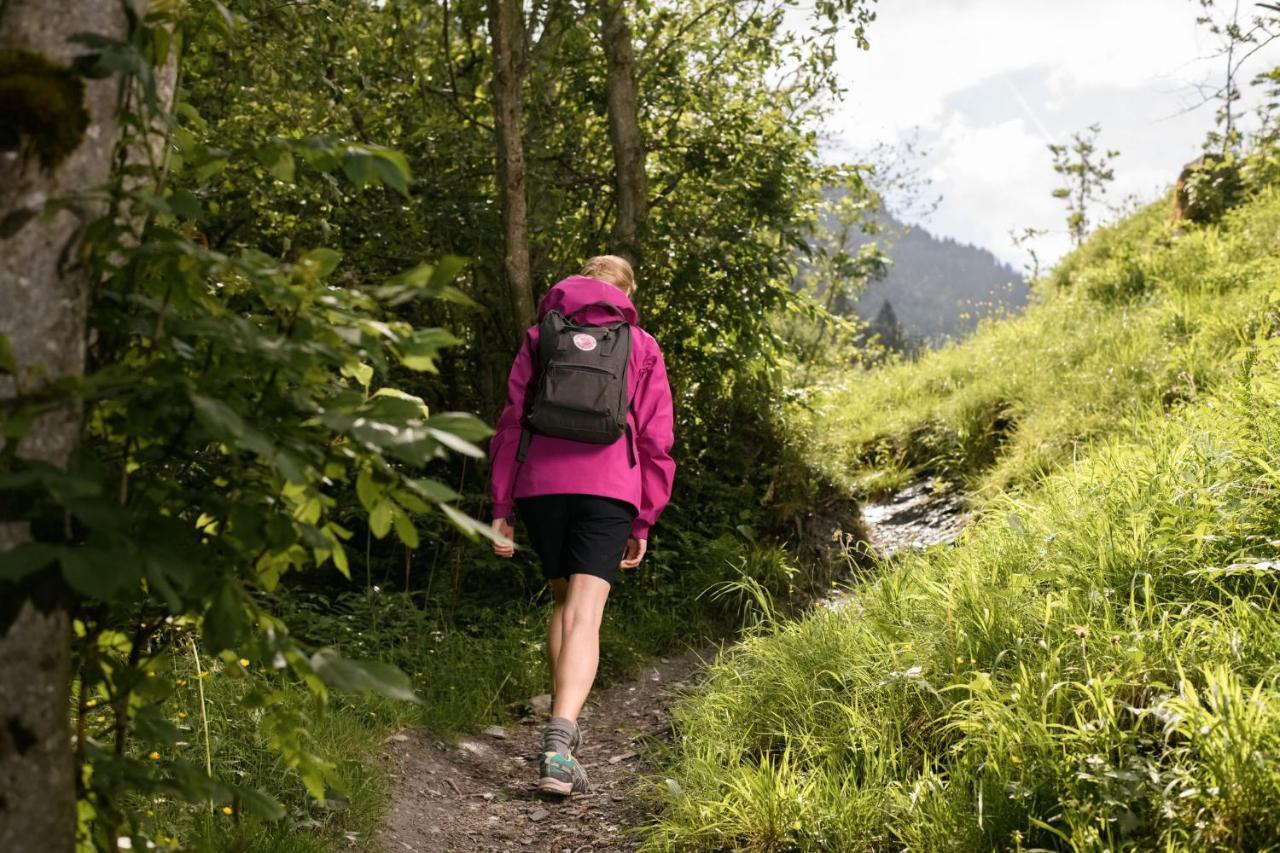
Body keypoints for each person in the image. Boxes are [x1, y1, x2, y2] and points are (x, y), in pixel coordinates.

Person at [489, 255, 675, 797]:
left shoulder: (540, 335)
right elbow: (656, 441)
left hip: (541, 487)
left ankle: (559, 727)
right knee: (585, 614)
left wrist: (502, 503)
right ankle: (559, 745)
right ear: (626, 293)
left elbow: (510, 420)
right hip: (610, 489)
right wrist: (645, 516)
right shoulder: (641, 346)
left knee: (563, 603)